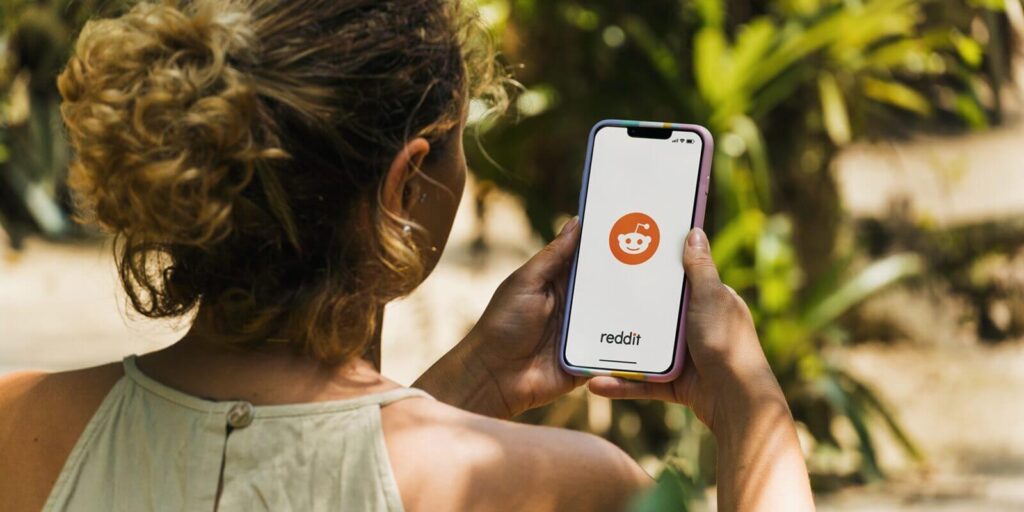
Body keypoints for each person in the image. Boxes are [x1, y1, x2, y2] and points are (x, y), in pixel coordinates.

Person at [0, 0, 814, 510]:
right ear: (405, 183)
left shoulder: (18, 423)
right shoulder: (569, 489)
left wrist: (471, 388)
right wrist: (749, 409)